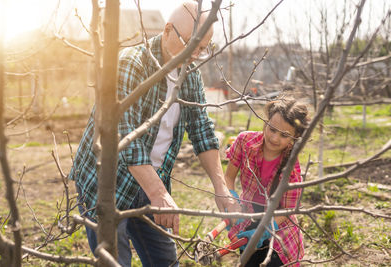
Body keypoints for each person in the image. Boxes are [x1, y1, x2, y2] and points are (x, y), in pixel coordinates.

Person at [68, 1, 238, 266]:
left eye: (202, 49)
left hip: (149, 182)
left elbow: (202, 130)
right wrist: (159, 194)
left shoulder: (189, 75)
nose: (194, 55)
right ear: (168, 30)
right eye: (190, 45)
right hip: (108, 182)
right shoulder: (131, 64)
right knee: (115, 260)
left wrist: (221, 188)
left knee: (164, 261)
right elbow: (127, 141)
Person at [225, 95, 309, 267]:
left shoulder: (291, 168)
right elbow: (228, 177)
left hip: (278, 228)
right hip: (248, 217)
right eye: (272, 129)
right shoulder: (244, 142)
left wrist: (263, 231)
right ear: (266, 122)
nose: (275, 138)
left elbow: (286, 210)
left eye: (284, 135)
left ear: (295, 138)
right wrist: (231, 200)